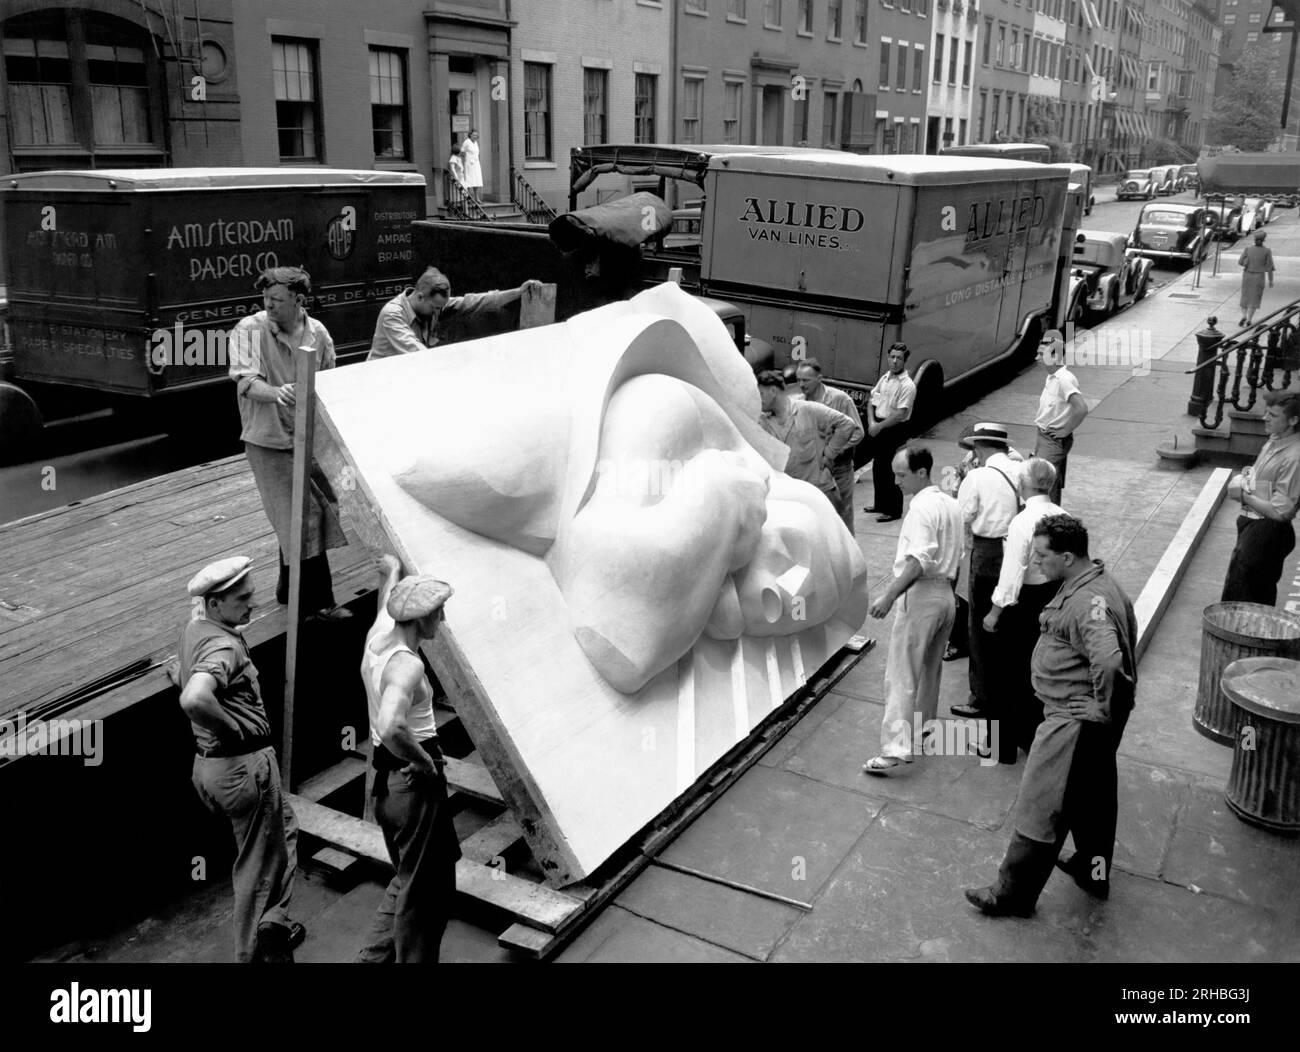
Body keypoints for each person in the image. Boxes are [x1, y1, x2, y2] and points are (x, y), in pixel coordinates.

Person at [964, 514, 1137, 915]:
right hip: (1089, 722)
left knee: (1042, 804)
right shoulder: (1098, 584)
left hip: (1073, 721)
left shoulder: (1085, 603)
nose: (1035, 563)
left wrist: (1102, 707)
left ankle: (1012, 894)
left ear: (1069, 555)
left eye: (1042, 556)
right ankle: (1093, 871)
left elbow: (1110, 661)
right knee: (1093, 798)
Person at [178, 556, 305, 963]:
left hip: (210, 767)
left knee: (284, 828)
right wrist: (232, 729)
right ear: (215, 604)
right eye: (243, 598)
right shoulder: (223, 645)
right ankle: (252, 953)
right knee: (255, 869)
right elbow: (194, 697)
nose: (253, 603)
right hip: (240, 767)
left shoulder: (197, 629)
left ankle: (275, 924)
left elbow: (183, 675)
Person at [228, 267, 350, 620]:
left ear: (300, 300)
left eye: (277, 300)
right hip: (268, 440)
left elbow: (330, 382)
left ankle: (287, 589)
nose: (269, 306)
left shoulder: (318, 334)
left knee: (301, 513)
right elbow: (246, 382)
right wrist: (276, 392)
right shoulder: (249, 330)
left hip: (306, 438)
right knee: (304, 517)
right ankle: (318, 603)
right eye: (265, 299)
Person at [356, 557, 462, 963]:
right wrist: (424, 763)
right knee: (427, 898)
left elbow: (387, 602)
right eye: (439, 611)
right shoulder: (407, 664)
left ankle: (371, 959)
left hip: (386, 786)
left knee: (410, 879)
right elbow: (392, 724)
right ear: (421, 619)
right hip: (413, 786)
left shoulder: (378, 636)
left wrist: (391, 572)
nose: (444, 617)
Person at [862, 445, 964, 773]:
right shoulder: (951, 504)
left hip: (920, 596)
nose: (896, 482)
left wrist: (888, 596)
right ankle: (923, 731)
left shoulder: (921, 509)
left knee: (902, 673)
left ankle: (893, 749)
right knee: (931, 669)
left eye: (901, 475)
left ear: (922, 472)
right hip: (946, 594)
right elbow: (958, 555)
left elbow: (919, 560)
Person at [950, 424, 1023, 766]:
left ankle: (981, 697)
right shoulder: (1020, 468)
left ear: (978, 447)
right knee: (1010, 629)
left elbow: (960, 517)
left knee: (978, 626)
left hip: (988, 551)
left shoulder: (977, 477)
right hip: (1018, 550)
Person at [983, 458, 1064, 752]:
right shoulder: (1063, 514)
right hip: (1053, 597)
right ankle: (1031, 736)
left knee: (1006, 674)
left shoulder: (1022, 522)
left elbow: (1012, 574)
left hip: (1024, 602)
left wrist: (994, 612)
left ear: (1023, 485)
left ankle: (1000, 744)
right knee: (1039, 671)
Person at [1221, 390, 1300, 607]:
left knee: (1248, 598)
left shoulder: (1294, 457)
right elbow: (1256, 475)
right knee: (1236, 591)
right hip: (1252, 524)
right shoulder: (1274, 440)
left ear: (1293, 420)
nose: (1265, 418)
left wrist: (1244, 496)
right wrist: (1242, 481)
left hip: (1269, 532)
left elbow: (1281, 511)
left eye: (1273, 416)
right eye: (1267, 413)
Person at [367, 267, 547, 360]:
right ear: (420, 296)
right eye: (435, 308)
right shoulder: (392, 315)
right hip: (376, 384)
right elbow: (417, 353)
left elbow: (475, 301)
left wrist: (518, 292)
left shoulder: (432, 305)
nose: (438, 312)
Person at [757, 370, 862, 519]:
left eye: (761, 394)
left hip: (818, 492)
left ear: (773, 391)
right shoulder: (763, 421)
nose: (758, 399)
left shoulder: (807, 410)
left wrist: (830, 454)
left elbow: (847, 424)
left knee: (836, 536)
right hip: (789, 496)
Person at [796, 357, 865, 531]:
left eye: (806, 380)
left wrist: (836, 450)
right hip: (812, 471)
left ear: (819, 378)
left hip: (839, 470)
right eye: (798, 380)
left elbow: (857, 431)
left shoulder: (840, 400)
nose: (801, 384)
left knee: (843, 513)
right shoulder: (799, 402)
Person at [862, 343, 917, 523]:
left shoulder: (907, 385)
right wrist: (871, 422)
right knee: (878, 467)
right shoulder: (885, 378)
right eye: (892, 357)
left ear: (905, 360)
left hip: (894, 429)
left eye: (899, 358)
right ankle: (880, 504)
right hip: (879, 425)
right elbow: (872, 401)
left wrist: (879, 426)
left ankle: (893, 510)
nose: (894, 361)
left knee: (892, 470)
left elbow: (900, 414)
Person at [1033, 331, 1088, 507]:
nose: (1037, 358)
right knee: (1050, 482)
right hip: (1044, 437)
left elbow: (1081, 408)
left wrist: (1065, 430)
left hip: (1052, 440)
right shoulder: (1052, 377)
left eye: (1042, 354)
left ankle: (1047, 519)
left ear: (1055, 356)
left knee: (1042, 484)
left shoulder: (1064, 379)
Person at [1238, 229, 1275, 327]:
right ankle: (1249, 319)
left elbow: (1240, 262)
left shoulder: (1247, 249)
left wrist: (1246, 262)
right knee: (1254, 299)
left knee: (1245, 297)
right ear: (1263, 240)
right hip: (1259, 277)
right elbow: (1269, 267)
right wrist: (1271, 280)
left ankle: (1244, 316)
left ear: (1254, 239)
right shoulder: (1267, 251)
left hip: (1247, 276)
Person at [461, 129, 483, 201]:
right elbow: (462, 152)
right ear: (470, 135)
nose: (475, 136)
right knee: (469, 180)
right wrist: (466, 160)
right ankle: (469, 197)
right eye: (473, 135)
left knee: (476, 180)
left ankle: (476, 197)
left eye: (476, 135)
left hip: (476, 163)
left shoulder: (476, 143)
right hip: (469, 164)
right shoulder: (466, 142)